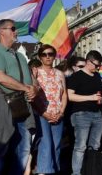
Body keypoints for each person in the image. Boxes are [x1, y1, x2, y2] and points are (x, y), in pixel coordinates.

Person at [0, 19, 38, 175]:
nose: (16, 31)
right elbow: (1, 78)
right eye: (13, 28)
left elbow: (33, 81)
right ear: (1, 32)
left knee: (24, 149)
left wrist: (34, 89)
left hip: (24, 104)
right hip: (3, 102)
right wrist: (27, 88)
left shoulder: (19, 56)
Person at [67, 50, 102, 175]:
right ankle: (77, 173)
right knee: (80, 146)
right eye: (96, 65)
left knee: (95, 146)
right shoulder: (76, 76)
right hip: (81, 114)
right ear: (88, 61)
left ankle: (91, 170)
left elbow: (100, 92)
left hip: (97, 114)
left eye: (99, 65)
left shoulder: (97, 76)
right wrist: (91, 97)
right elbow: (70, 96)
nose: (98, 67)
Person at [34, 44, 67, 174]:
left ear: (54, 56)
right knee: (46, 143)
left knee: (56, 145)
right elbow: (32, 95)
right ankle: (43, 171)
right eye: (44, 54)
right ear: (40, 57)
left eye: (50, 54)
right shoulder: (35, 72)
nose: (48, 57)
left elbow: (64, 94)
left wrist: (62, 112)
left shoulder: (60, 73)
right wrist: (43, 112)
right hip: (42, 113)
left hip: (58, 113)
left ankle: (54, 170)